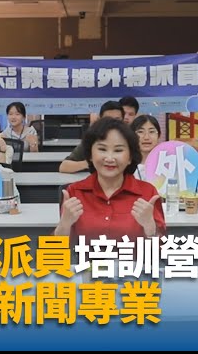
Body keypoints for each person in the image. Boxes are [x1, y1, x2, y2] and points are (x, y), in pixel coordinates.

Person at [55, 118, 166, 254]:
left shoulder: (147, 193)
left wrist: (150, 229)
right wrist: (64, 225)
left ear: (130, 157)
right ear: (90, 155)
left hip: (134, 267)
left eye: (118, 150)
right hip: (88, 267)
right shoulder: (74, 192)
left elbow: (161, 251)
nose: (109, 158)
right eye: (102, 149)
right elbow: (56, 253)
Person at [59, 100, 124, 173]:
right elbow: (64, 167)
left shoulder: (128, 141)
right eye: (107, 120)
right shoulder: (92, 141)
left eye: (117, 120)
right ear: (100, 120)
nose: (112, 124)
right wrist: (90, 162)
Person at [131, 114, 161, 180]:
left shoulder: (165, 164)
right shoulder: (127, 164)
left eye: (151, 132)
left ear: (159, 135)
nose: (146, 137)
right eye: (140, 132)